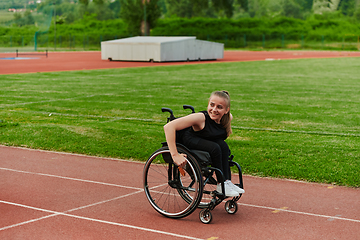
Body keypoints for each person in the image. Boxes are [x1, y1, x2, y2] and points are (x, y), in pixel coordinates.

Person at [163, 91, 244, 197]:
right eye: (212, 105)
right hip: (190, 140)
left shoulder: (227, 119)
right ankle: (221, 185)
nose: (214, 110)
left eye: (219, 107)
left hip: (204, 139)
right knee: (215, 148)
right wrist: (175, 155)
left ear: (226, 110)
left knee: (223, 146)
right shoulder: (201, 118)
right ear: (208, 103)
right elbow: (168, 127)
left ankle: (226, 182)